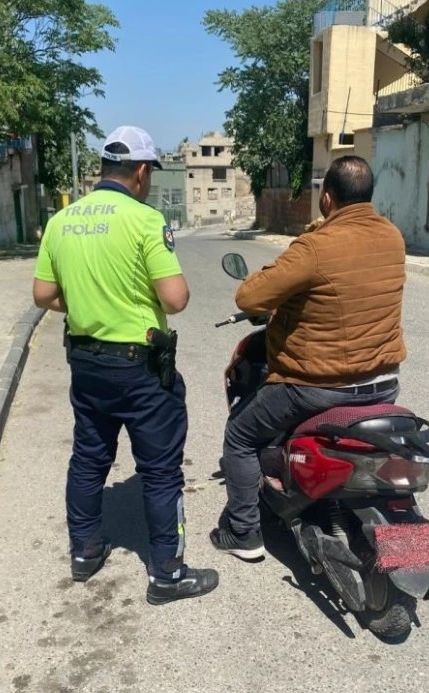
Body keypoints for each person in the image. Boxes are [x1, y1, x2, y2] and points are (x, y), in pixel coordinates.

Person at [33, 125, 218, 605]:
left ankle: (85, 552)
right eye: (149, 173)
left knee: (89, 457)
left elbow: (43, 296)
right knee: (160, 471)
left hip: (86, 364)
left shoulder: (61, 221)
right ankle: (167, 574)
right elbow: (175, 300)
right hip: (139, 368)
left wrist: (87, 306)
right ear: (140, 171)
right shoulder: (144, 220)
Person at [211, 155, 407, 560]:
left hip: (319, 388)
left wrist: (310, 240)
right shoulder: (392, 236)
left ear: (328, 199)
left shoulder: (316, 246)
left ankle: (244, 533)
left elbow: (249, 297)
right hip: (385, 384)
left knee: (240, 436)